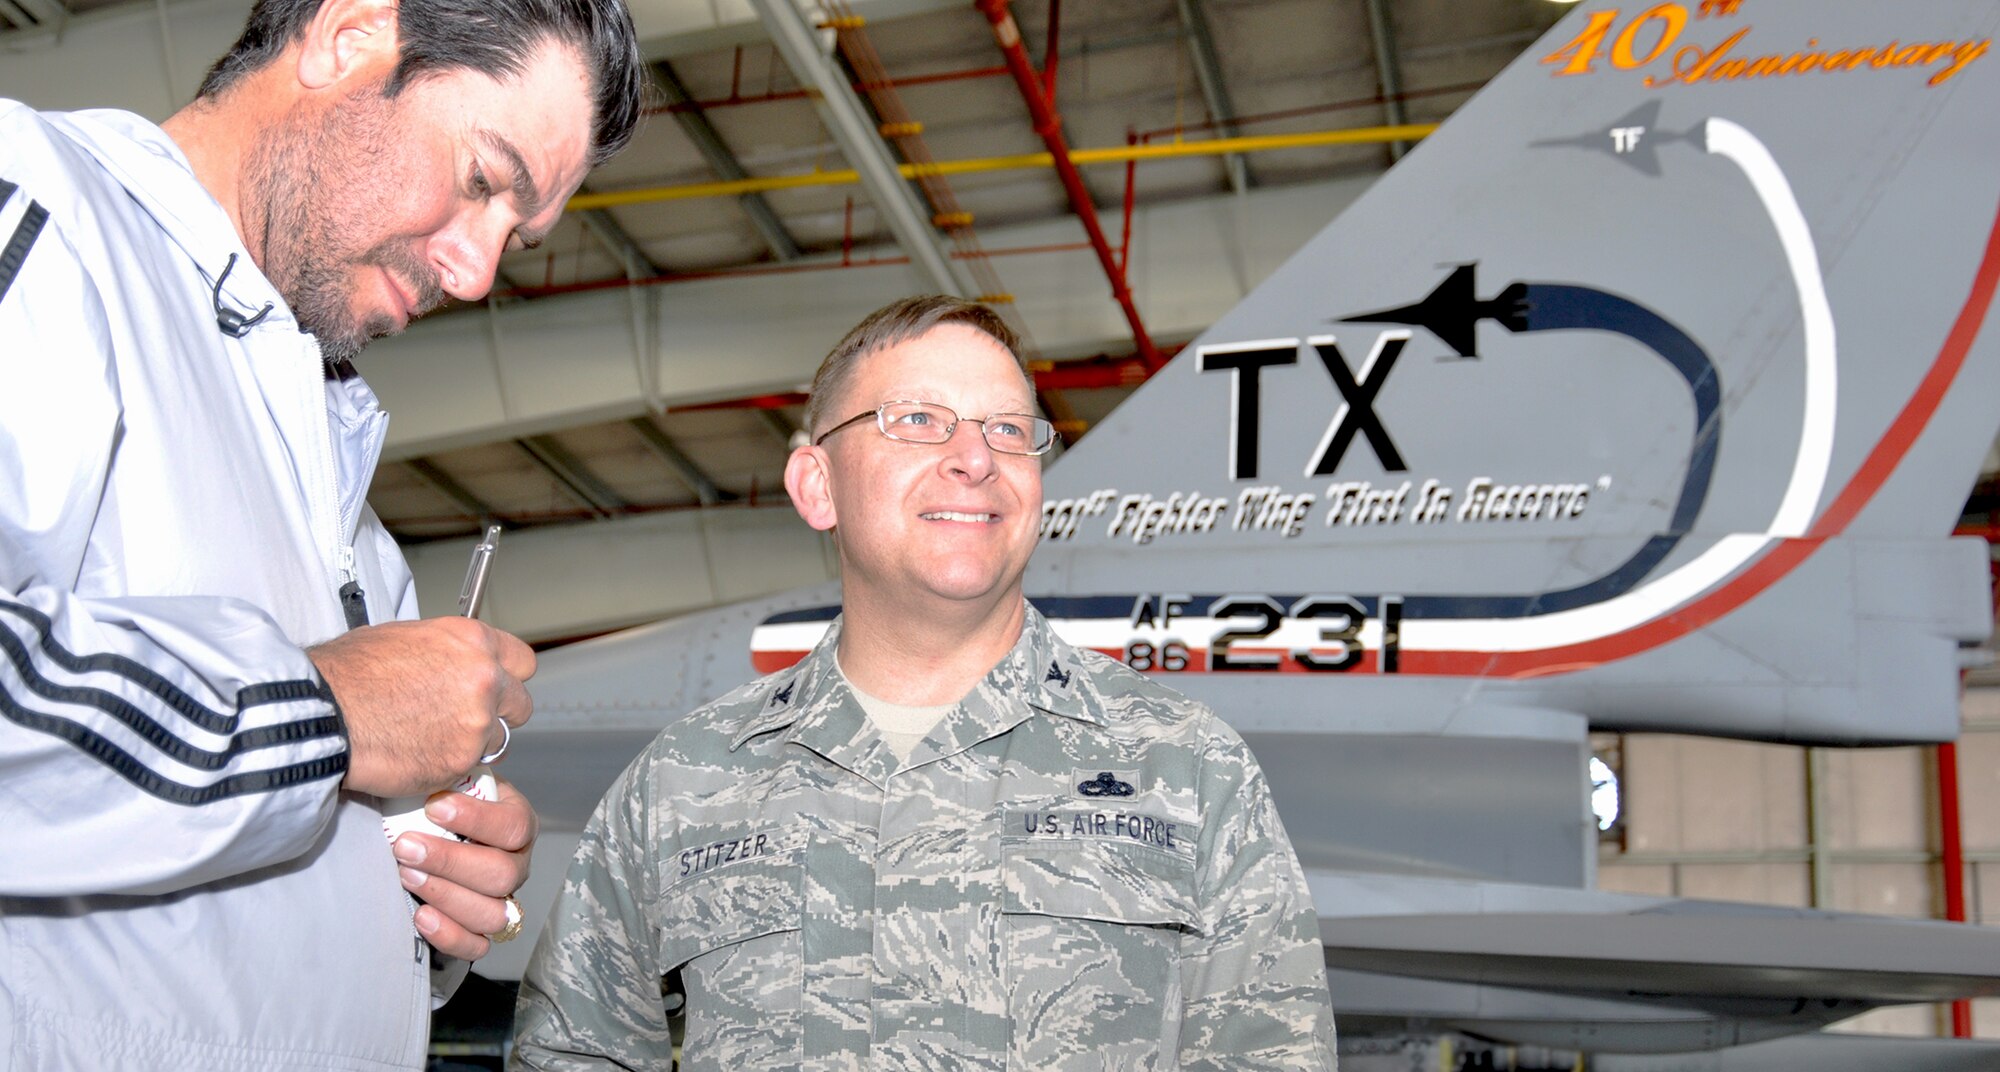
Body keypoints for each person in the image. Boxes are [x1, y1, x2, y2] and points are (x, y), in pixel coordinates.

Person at [0, 0, 644, 1067]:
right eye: (483, 180)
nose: (477, 273)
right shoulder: (42, 218)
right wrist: (329, 708)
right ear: (348, 37)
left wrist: (421, 891)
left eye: (513, 238)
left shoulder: (350, 527)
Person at [514, 296, 1336, 1070]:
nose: (975, 458)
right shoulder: (682, 783)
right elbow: (575, 1049)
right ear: (816, 486)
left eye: (1009, 430)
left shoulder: (1185, 767)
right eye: (917, 420)